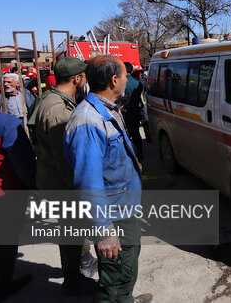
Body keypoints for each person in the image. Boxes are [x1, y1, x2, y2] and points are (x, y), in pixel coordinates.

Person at [63, 56, 152, 303]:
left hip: (124, 208)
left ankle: (126, 298)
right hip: (114, 216)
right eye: (124, 76)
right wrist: (104, 231)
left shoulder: (107, 109)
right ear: (114, 80)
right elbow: (88, 184)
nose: (127, 80)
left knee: (126, 269)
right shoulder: (88, 122)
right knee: (115, 280)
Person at [28, 56, 97, 295]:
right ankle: (74, 282)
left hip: (53, 181)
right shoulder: (58, 110)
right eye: (84, 76)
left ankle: (75, 276)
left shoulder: (49, 99)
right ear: (77, 78)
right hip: (64, 186)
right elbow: (66, 158)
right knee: (72, 234)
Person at [0, 111, 36, 301]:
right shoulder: (6, 123)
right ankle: (2, 285)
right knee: (6, 242)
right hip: (6, 194)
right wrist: (33, 186)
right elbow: (23, 162)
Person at [122, 62, 144, 159]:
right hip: (135, 111)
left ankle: (128, 156)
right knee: (136, 134)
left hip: (124, 112)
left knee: (124, 135)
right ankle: (140, 154)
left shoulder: (122, 83)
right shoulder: (138, 82)